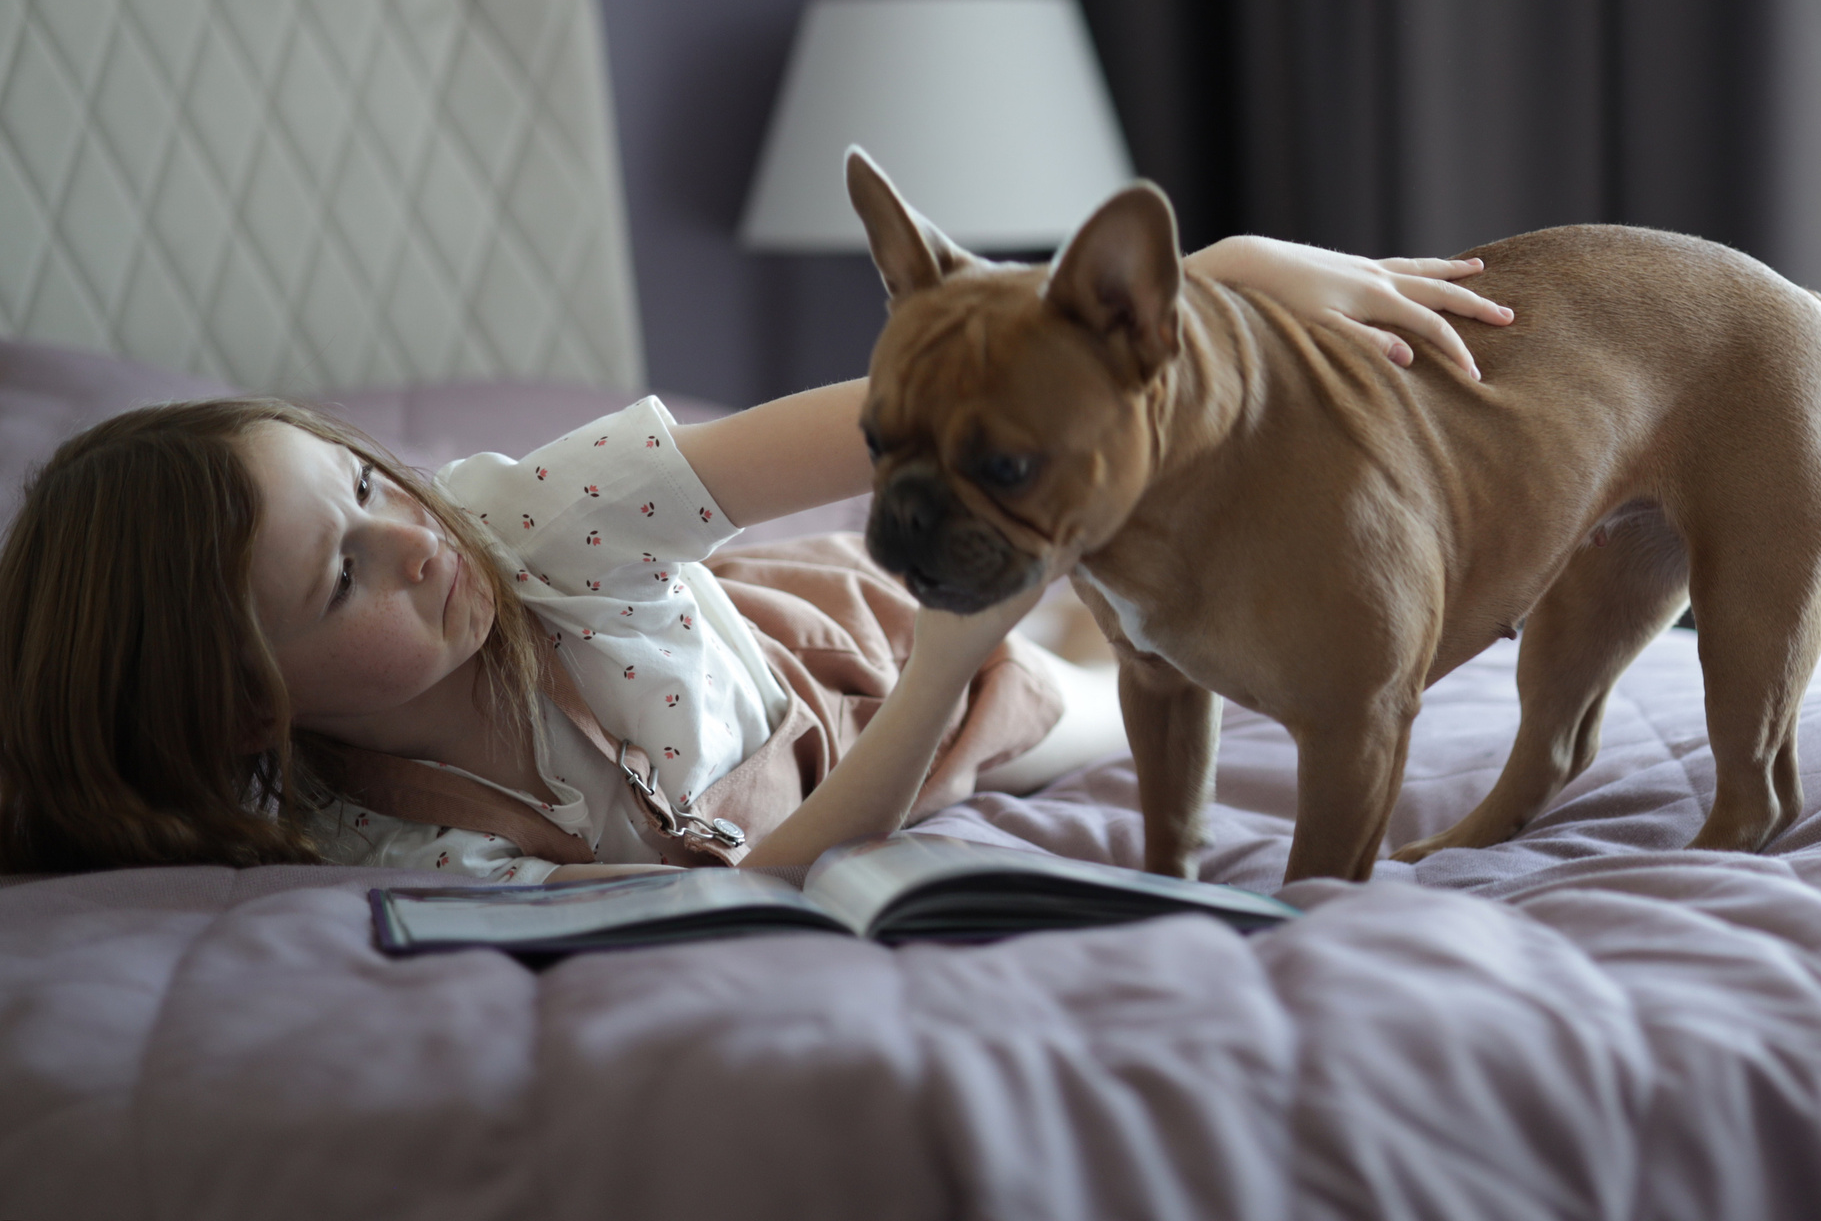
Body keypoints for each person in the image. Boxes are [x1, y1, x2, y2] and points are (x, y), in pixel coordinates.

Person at [0, 238, 1510, 878]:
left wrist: (1213, 282)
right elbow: (766, 882)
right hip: (887, 725)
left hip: (834, 647)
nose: (415, 540)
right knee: (1068, 634)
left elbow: (894, 415)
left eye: (367, 480)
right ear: (256, 712)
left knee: (1138, 667)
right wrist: (954, 661)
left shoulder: (527, 519)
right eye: (342, 579)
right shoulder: (359, 847)